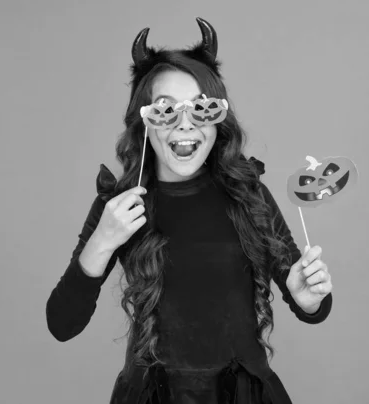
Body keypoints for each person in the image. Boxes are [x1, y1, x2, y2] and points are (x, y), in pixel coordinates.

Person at [46, 17, 333, 404]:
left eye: (201, 109)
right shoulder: (120, 205)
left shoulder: (249, 194)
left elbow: (311, 303)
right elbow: (62, 324)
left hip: (243, 394)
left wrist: (308, 297)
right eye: (165, 111)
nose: (185, 124)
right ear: (144, 122)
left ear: (219, 120)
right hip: (152, 395)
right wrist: (102, 241)